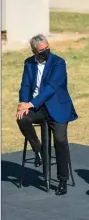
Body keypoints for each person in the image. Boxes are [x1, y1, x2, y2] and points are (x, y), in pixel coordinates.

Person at [17, 34, 78, 196]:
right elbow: (25, 85)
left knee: (60, 139)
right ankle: (38, 151)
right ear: (34, 51)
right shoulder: (29, 63)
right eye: (41, 50)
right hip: (37, 108)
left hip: (57, 107)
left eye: (47, 48)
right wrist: (23, 103)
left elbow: (51, 88)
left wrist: (31, 104)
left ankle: (62, 179)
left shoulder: (58, 62)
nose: (46, 52)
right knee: (21, 118)